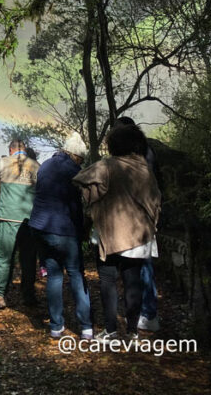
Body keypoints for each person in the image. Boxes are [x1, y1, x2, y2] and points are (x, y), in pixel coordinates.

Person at [73, 124, 161, 343]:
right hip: (138, 236)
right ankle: (132, 332)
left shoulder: (106, 166)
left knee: (107, 282)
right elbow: (155, 202)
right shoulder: (144, 170)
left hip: (108, 235)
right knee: (133, 284)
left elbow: (81, 179)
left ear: (113, 145)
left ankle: (110, 331)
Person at [29, 132, 93, 339]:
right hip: (63, 229)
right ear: (76, 155)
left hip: (40, 228)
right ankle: (86, 327)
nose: (81, 162)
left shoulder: (46, 165)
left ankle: (56, 326)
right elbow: (77, 205)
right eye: (81, 159)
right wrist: (82, 229)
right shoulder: (74, 171)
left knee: (54, 276)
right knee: (75, 273)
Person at [115, 116, 161, 332]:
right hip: (146, 218)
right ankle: (147, 313)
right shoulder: (147, 151)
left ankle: (146, 313)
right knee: (144, 266)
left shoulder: (137, 156)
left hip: (135, 220)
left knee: (140, 267)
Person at [0, 139, 39, 309]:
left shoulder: (4, 162)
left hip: (8, 218)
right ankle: (29, 296)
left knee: (4, 258)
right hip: (29, 221)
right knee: (29, 259)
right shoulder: (36, 165)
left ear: (11, 150)